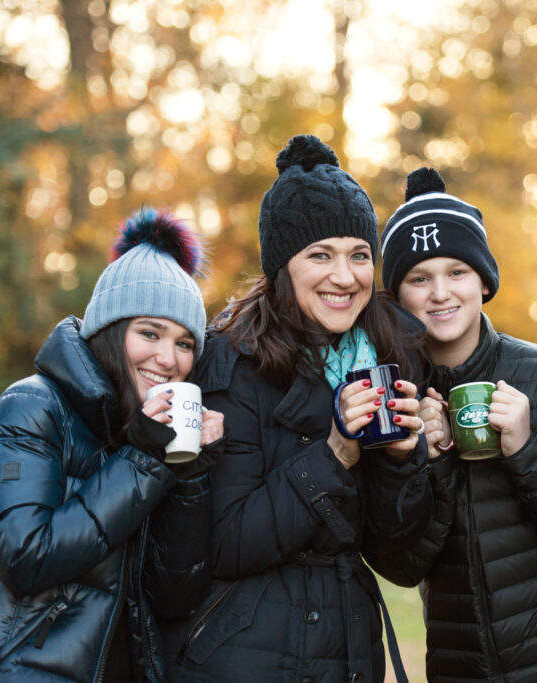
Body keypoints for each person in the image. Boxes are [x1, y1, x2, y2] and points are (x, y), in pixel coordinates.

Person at [162, 135, 432, 683]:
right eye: (320, 255)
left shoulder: (389, 357)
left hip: (348, 651)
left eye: (359, 255)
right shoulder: (232, 363)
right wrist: (335, 455)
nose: (344, 276)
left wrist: (405, 459)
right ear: (283, 267)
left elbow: (401, 563)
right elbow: (227, 543)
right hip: (242, 654)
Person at [368, 167, 537, 682]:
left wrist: (527, 449)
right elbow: (401, 568)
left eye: (457, 272)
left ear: (483, 281)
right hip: (463, 668)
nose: (439, 293)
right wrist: (430, 461)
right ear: (398, 294)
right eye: (419, 278)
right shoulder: (397, 400)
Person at [0, 208, 225, 682]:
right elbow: (25, 559)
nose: (168, 358)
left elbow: (174, 597)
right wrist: (144, 461)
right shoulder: (28, 410)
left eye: (185, 344)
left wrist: (188, 469)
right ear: (110, 332)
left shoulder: (146, 438)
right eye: (150, 333)